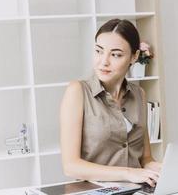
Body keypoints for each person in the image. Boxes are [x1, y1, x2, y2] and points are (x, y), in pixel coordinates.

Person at [60, 19, 161, 187]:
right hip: (96, 190)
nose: (103, 61)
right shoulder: (77, 91)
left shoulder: (139, 95)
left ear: (134, 57)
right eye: (99, 51)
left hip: (136, 190)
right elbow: (71, 166)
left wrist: (163, 168)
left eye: (115, 54)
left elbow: (146, 159)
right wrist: (128, 173)